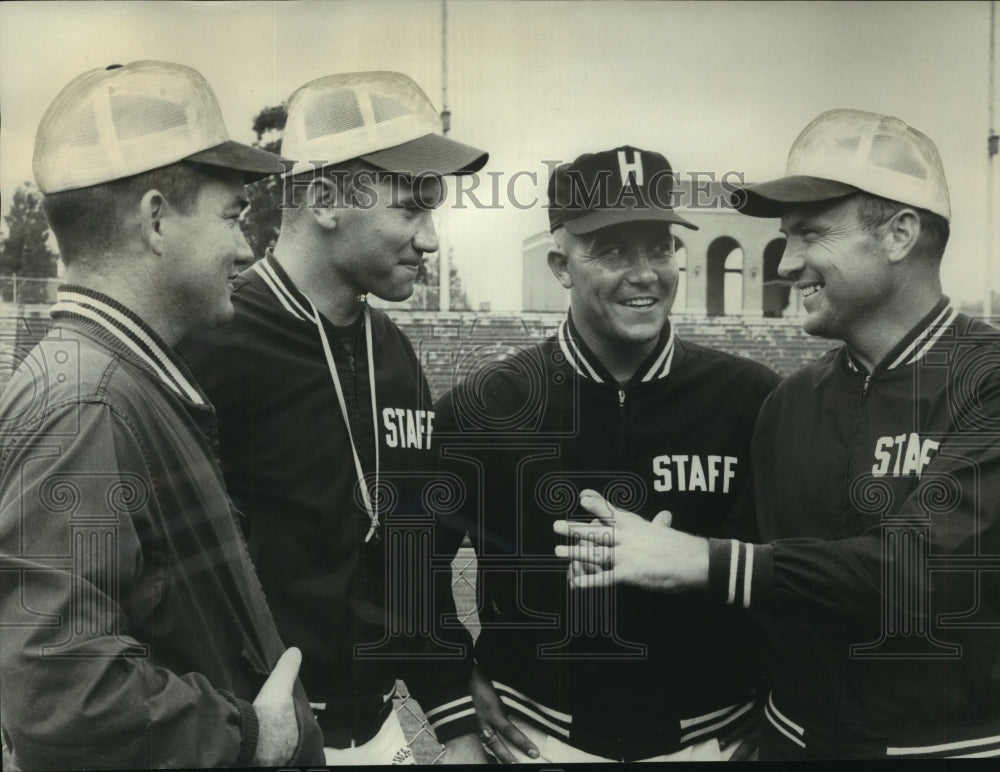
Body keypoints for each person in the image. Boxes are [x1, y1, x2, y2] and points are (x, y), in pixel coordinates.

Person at [556, 110, 1000, 759]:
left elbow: (925, 574)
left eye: (810, 234)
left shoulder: (985, 378)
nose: (786, 264)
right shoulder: (789, 401)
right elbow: (768, 599)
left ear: (900, 233)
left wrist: (704, 561)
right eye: (784, 239)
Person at [0, 60, 324, 769]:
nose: (247, 247)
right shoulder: (86, 402)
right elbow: (61, 696)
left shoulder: (113, 379)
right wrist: (252, 737)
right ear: (154, 220)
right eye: (233, 217)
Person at [180, 71, 491, 764]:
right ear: (324, 199)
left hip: (379, 731)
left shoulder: (397, 355)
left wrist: (456, 723)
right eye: (411, 209)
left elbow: (411, 557)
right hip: (257, 736)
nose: (431, 239)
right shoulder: (212, 342)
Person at [433, 145, 780, 763]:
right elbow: (411, 564)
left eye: (658, 246)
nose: (643, 272)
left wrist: (780, 701)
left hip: (713, 739)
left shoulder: (751, 397)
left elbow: (797, 567)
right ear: (561, 264)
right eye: (612, 250)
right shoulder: (488, 402)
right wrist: (455, 685)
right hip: (537, 737)